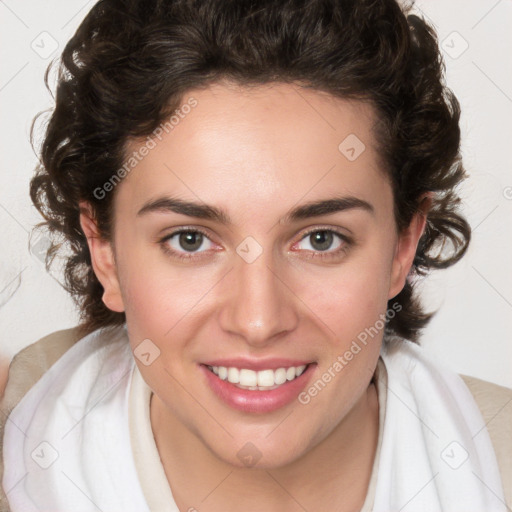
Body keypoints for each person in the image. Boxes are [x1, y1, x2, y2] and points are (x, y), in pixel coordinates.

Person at [1, 0, 511, 511]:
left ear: (403, 246)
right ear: (104, 252)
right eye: (190, 240)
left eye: (320, 239)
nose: (258, 321)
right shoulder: (16, 435)